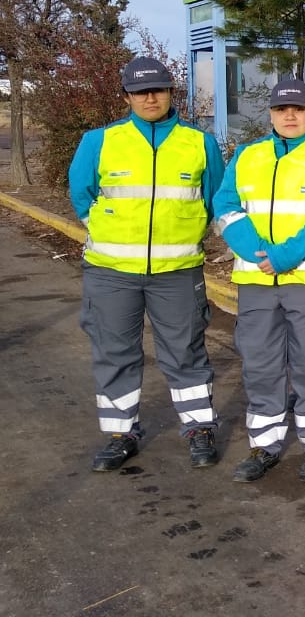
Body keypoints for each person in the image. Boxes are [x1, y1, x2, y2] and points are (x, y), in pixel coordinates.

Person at [69, 56, 225, 472]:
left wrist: (185, 235)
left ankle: (199, 428)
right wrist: (114, 236)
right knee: (114, 351)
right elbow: (82, 197)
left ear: (172, 91)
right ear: (127, 97)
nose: (150, 97)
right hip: (111, 273)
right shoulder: (99, 141)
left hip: (177, 272)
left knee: (186, 351)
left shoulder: (199, 142)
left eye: (157, 89)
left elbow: (213, 199)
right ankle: (122, 434)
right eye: (140, 92)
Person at [215, 79, 305, 483]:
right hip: (257, 280)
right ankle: (265, 444)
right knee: (260, 364)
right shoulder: (246, 155)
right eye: (281, 109)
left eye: (298, 109)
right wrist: (256, 249)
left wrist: (285, 255)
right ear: (271, 114)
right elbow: (225, 207)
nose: (289, 116)